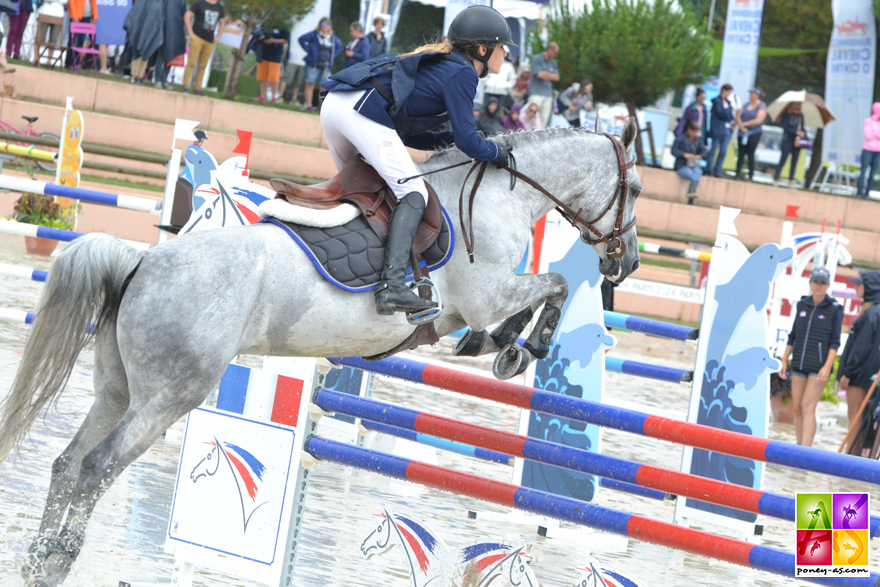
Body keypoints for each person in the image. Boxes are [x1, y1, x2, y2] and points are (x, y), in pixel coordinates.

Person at [319, 5, 513, 316]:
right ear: (482, 48)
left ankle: (355, 268)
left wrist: (445, 146)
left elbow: (412, 138)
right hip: (358, 110)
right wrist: (498, 153)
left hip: (339, 106)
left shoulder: (448, 66)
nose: (506, 54)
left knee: (368, 191)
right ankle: (391, 286)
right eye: (502, 47)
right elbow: (468, 139)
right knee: (413, 192)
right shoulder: (463, 72)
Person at [777, 268, 842, 447]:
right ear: (810, 283)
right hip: (799, 362)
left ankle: (806, 451)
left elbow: (835, 342)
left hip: (819, 366)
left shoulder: (834, 308)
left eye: (822, 283)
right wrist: (784, 359)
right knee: (797, 408)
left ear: (827, 285)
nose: (818, 286)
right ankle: (799, 446)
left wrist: (827, 366)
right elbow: (793, 335)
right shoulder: (802, 305)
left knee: (807, 407)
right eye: (816, 282)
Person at [837, 271, 880, 452]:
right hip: (867, 373)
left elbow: (861, 347)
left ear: (869, 288)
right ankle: (855, 453)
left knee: (854, 415)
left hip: (859, 374)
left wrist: (848, 373)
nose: (855, 287)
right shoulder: (873, 311)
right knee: (860, 416)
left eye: (858, 284)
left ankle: (850, 454)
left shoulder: (871, 314)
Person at [299, 17, 343, 112]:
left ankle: (322, 107)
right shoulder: (314, 34)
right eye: (322, 24)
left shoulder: (332, 38)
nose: (324, 26)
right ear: (319, 25)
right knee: (310, 84)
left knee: (325, 86)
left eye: (326, 24)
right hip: (313, 64)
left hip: (325, 66)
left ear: (330, 26)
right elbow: (301, 39)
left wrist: (332, 55)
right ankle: (309, 106)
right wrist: (309, 50)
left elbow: (340, 47)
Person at [182, 0, 226, 95]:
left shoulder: (219, 7)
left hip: (209, 40)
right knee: (191, 63)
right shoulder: (199, 3)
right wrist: (190, 33)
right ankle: (185, 85)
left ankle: (197, 88)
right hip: (197, 36)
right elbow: (187, 15)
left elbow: (222, 21)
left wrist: (218, 37)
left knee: (203, 65)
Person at [734, 88, 767, 181]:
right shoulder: (746, 104)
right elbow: (738, 116)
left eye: (753, 93)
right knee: (741, 153)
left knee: (750, 154)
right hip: (742, 132)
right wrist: (741, 126)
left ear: (757, 95)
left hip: (754, 132)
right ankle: (737, 174)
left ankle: (750, 176)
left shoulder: (762, 106)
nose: (751, 95)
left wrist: (745, 124)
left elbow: (758, 120)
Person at [671, 121, 708, 201]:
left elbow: (704, 151)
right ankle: (691, 195)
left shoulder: (697, 141)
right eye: (693, 131)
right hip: (681, 165)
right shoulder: (681, 138)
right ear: (689, 129)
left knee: (698, 171)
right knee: (693, 176)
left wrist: (699, 156)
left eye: (695, 131)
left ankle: (691, 192)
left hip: (693, 164)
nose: (694, 133)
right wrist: (684, 155)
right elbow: (674, 151)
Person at [773, 102, 806, 187]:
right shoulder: (786, 115)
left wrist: (801, 135)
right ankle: (776, 178)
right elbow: (785, 127)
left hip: (797, 142)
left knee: (794, 162)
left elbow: (802, 128)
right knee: (783, 160)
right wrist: (796, 132)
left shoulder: (801, 117)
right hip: (787, 140)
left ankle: (791, 181)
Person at [527, 42, 559, 127]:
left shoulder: (553, 62)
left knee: (544, 120)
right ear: (549, 50)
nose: (556, 55)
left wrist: (545, 74)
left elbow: (557, 77)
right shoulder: (537, 58)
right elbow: (538, 74)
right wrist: (550, 75)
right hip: (536, 93)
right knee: (531, 117)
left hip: (548, 94)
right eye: (555, 52)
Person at [706, 83, 735, 178]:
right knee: (713, 150)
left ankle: (718, 170)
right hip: (717, 128)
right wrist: (726, 114)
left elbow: (730, 117)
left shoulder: (729, 103)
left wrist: (727, 115)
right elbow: (720, 113)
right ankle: (709, 169)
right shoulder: (716, 101)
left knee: (723, 151)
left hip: (726, 129)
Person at [256, 24, 289, 102]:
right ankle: (262, 95)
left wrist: (274, 41)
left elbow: (285, 40)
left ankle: (274, 97)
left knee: (274, 78)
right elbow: (259, 33)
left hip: (275, 56)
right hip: (264, 54)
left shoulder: (284, 27)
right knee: (263, 77)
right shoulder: (267, 25)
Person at [856, 103, 880, 199]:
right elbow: (868, 135)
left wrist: (874, 133)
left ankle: (867, 194)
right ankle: (859, 193)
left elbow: (872, 134)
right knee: (863, 172)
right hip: (867, 150)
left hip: (878, 151)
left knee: (872, 174)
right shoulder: (868, 121)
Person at [482, 45, 516, 110]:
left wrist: (505, 85)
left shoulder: (509, 66)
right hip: (489, 90)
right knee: (485, 109)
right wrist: (487, 83)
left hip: (502, 93)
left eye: (505, 54)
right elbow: (484, 73)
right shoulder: (491, 62)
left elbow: (512, 80)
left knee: (498, 110)